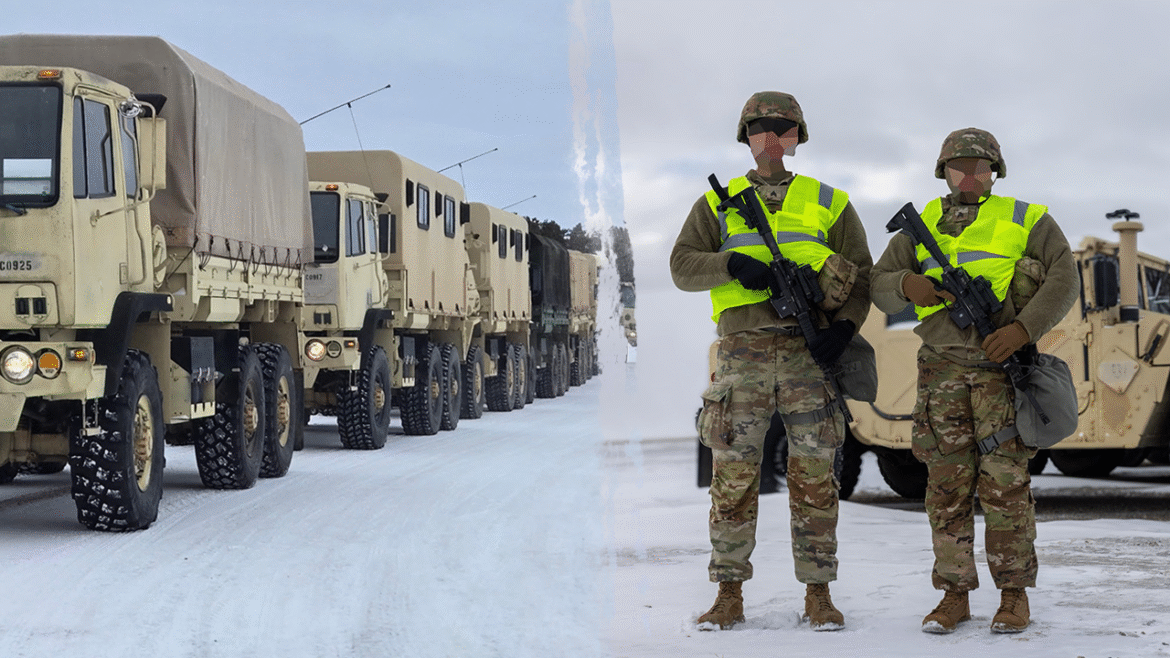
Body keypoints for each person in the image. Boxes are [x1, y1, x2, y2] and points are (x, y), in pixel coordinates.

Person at [671, 91, 872, 631]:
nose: (772, 138)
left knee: (816, 477)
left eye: (784, 129)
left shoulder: (830, 201)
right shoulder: (717, 202)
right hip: (743, 352)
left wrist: (844, 329)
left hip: (810, 351)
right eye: (761, 129)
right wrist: (732, 264)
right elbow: (682, 266)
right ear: (747, 138)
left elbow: (862, 275)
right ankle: (728, 593)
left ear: (797, 138)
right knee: (733, 477)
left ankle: (818, 594)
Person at [870, 128, 1079, 634]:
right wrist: (908, 284)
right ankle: (954, 596)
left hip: (1001, 371)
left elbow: (1064, 277)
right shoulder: (919, 227)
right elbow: (878, 286)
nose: (969, 175)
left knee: (1006, 485)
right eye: (958, 166)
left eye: (979, 167)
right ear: (943, 172)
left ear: (995, 172)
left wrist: (1022, 329)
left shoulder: (1027, 218)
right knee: (945, 487)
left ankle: (1013, 597)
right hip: (940, 370)